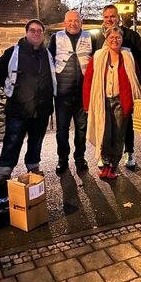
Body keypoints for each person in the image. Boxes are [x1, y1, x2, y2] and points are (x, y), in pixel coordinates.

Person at [0, 19, 56, 181]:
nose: (36, 33)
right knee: (12, 141)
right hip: (18, 109)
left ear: (43, 34)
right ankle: (4, 171)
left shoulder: (47, 54)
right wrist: (9, 88)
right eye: (32, 30)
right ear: (26, 33)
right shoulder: (13, 52)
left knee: (36, 141)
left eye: (39, 31)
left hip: (41, 109)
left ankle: (33, 166)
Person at [84, 26, 141, 179]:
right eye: (111, 37)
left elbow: (135, 77)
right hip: (102, 101)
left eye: (118, 37)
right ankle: (105, 162)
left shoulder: (128, 56)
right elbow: (88, 80)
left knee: (118, 135)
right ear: (106, 39)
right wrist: (86, 104)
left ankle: (113, 166)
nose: (115, 40)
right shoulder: (98, 56)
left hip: (121, 101)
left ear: (122, 39)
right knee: (104, 134)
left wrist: (133, 101)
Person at [94, 4, 141, 169]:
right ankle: (105, 154)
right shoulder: (98, 37)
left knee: (126, 121)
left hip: (124, 87)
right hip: (104, 89)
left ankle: (129, 152)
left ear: (119, 17)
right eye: (106, 17)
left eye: (112, 16)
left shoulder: (131, 35)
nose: (109, 20)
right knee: (105, 123)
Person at [48, 10, 94, 176]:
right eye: (70, 21)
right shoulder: (56, 37)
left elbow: (98, 59)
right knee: (62, 130)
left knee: (82, 129)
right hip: (62, 95)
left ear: (81, 22)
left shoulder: (90, 37)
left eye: (76, 20)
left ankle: (80, 158)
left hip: (83, 94)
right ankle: (62, 160)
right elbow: (48, 60)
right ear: (64, 22)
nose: (73, 23)